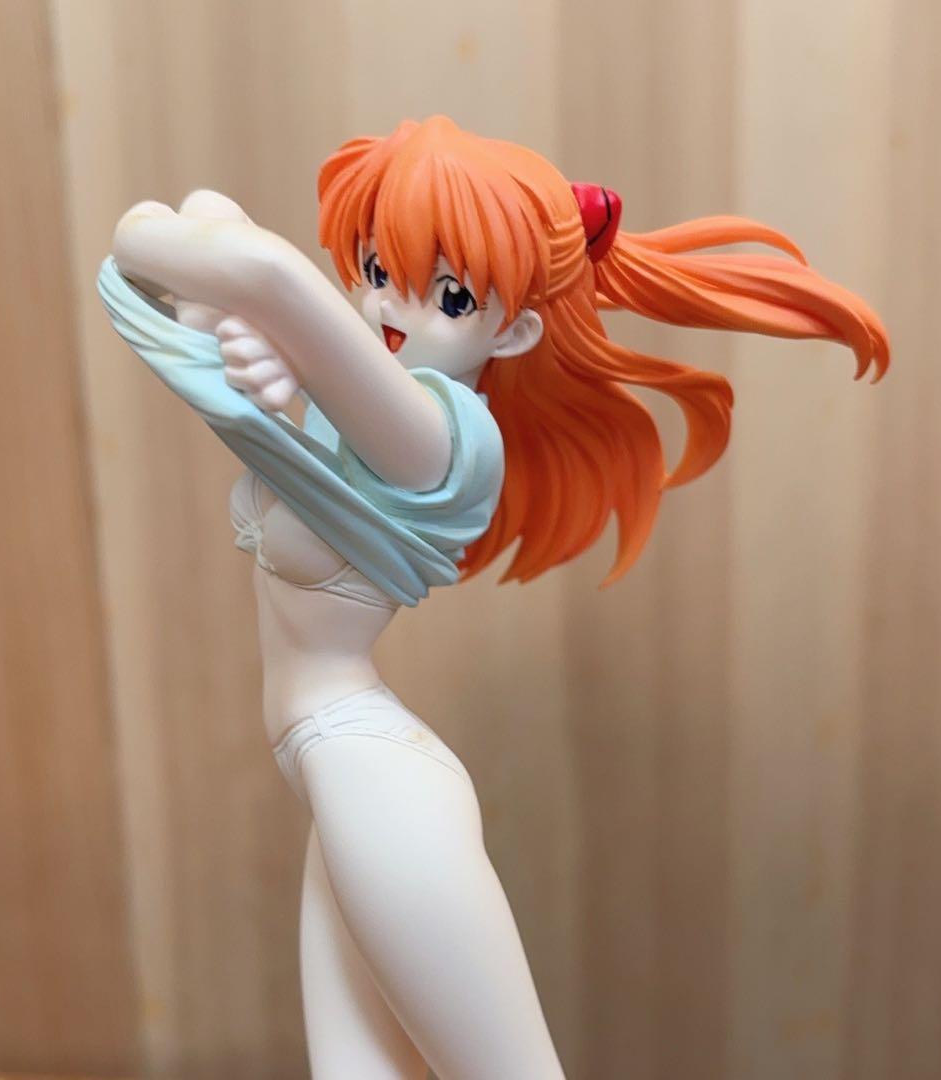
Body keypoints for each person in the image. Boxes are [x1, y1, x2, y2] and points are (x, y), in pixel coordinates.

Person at [102, 115, 889, 1080]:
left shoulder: (437, 436)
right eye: (376, 269)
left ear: (512, 329)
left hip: (372, 773)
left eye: (451, 295)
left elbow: (251, 268)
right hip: (333, 774)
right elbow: (213, 241)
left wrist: (242, 300)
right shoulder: (354, 416)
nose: (390, 307)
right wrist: (244, 327)